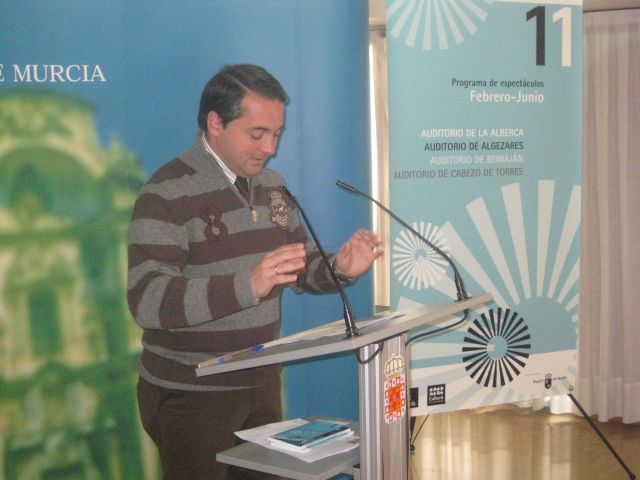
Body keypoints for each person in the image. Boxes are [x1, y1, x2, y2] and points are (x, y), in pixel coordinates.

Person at [127, 63, 382, 480]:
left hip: (261, 384)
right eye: (257, 133)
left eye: (277, 134)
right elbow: (148, 300)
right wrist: (246, 284)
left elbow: (296, 265)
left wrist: (339, 266)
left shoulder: (273, 187)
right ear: (215, 123)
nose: (270, 148)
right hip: (191, 394)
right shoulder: (166, 192)